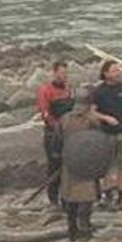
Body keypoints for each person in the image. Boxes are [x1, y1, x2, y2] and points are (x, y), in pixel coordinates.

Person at [92, 59, 122, 212]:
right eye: (114, 71)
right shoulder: (99, 91)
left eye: (119, 70)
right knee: (107, 166)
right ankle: (107, 195)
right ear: (106, 74)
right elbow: (92, 112)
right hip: (106, 134)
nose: (118, 73)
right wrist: (105, 118)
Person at [57, 91, 102, 242]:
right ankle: (84, 229)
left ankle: (72, 230)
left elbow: (56, 141)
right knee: (86, 197)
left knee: (70, 197)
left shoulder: (64, 119)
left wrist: (59, 156)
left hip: (69, 161)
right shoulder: (91, 120)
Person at [35, 59, 74, 207]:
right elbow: (45, 113)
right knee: (54, 165)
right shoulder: (45, 90)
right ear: (55, 72)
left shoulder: (69, 89)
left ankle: (67, 196)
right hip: (53, 133)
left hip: (69, 133)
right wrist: (57, 127)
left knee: (69, 165)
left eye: (66, 73)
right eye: (62, 73)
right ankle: (53, 197)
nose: (65, 76)